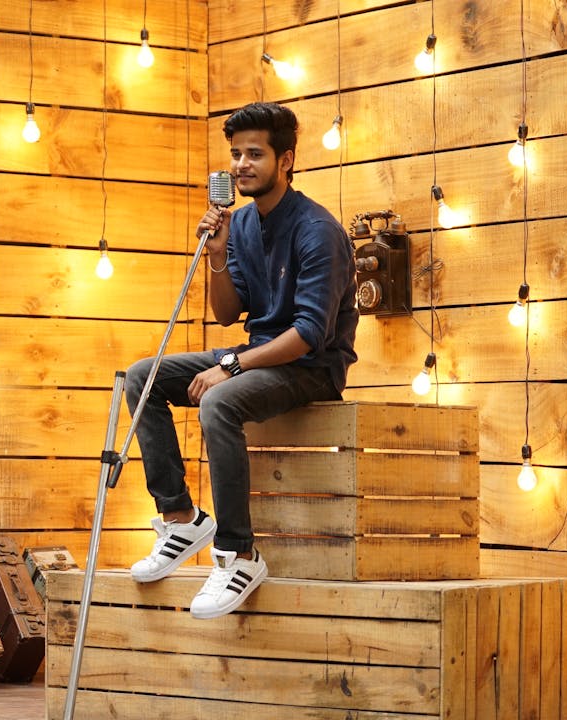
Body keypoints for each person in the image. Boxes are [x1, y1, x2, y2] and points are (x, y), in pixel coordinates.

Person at [124, 102, 359, 619]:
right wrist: (217, 254)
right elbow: (229, 313)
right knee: (142, 377)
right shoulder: (244, 222)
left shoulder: (318, 231)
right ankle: (182, 517)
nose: (241, 165)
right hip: (256, 353)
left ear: (287, 160)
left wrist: (230, 367)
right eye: (235, 154)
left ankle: (238, 555)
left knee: (219, 404)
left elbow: (307, 336)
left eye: (255, 153)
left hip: (309, 368)